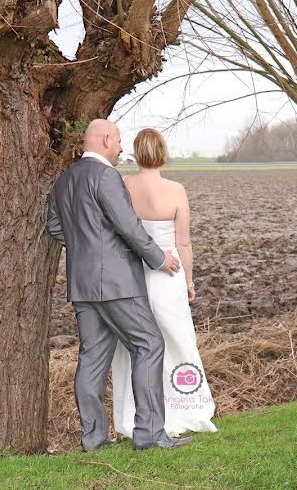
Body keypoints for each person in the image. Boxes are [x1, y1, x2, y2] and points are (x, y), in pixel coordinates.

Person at [46, 119, 193, 451]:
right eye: (119, 141)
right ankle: (150, 434)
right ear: (106, 139)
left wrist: (86, 245)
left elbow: (55, 226)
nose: (122, 148)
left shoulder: (64, 180)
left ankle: (94, 439)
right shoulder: (106, 176)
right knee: (149, 345)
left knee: (92, 358)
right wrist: (158, 258)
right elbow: (127, 226)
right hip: (117, 283)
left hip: (82, 284)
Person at [112, 128, 218, 439]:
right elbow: (184, 244)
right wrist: (189, 281)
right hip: (168, 275)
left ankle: (135, 417)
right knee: (178, 340)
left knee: (135, 347)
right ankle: (188, 405)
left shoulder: (123, 186)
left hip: (133, 274)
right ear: (163, 153)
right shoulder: (176, 190)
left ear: (136, 152)